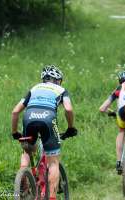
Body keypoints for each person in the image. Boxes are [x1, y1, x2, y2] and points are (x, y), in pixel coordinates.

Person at [11, 65, 77, 200]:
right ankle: (52, 197)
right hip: (48, 119)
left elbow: (15, 111)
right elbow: (69, 110)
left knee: (27, 150)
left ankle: (23, 174)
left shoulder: (34, 88)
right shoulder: (61, 90)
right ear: (58, 80)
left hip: (29, 117)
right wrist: (70, 128)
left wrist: (14, 132)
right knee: (53, 162)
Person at [99, 71, 125, 174]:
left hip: (121, 112)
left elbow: (102, 108)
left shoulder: (119, 89)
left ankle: (119, 161)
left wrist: (112, 113)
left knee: (121, 132)